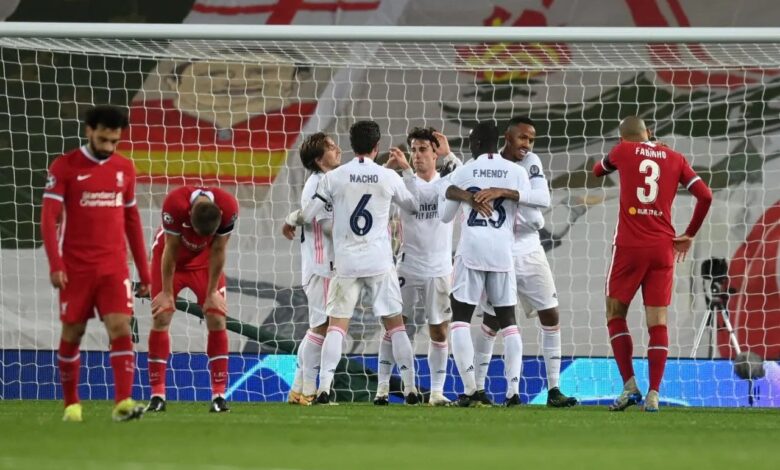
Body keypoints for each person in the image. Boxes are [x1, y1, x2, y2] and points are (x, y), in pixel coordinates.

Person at [288, 120, 421, 405]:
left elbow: (309, 214)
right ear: (377, 146)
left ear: (351, 145)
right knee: (396, 326)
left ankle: (323, 388)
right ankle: (411, 388)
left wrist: (291, 219)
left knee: (336, 327)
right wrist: (407, 172)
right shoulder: (388, 176)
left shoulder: (334, 177)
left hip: (346, 262)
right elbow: (412, 206)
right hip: (379, 261)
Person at [593, 116, 713, 412]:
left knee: (615, 312)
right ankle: (654, 394)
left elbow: (598, 170)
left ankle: (630, 385)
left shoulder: (622, 151)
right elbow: (706, 196)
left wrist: (624, 153)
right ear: (649, 132)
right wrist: (689, 234)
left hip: (629, 248)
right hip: (663, 248)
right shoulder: (675, 157)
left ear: (623, 138)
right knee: (657, 321)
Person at [41, 105, 151, 422]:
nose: (109, 147)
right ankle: (72, 405)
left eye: (114, 141)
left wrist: (144, 272)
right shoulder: (64, 166)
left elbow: (132, 220)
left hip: (114, 267)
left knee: (120, 327)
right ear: (89, 130)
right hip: (75, 268)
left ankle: (123, 402)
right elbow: (48, 218)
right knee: (73, 332)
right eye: (103, 139)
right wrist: (55, 264)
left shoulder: (124, 168)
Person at [474, 117, 578, 407]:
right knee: (493, 320)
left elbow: (543, 198)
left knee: (551, 313)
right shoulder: (490, 163)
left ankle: (554, 389)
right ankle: (477, 389)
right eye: (522, 138)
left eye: (531, 140)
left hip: (531, 247)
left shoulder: (531, 162)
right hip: (500, 248)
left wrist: (504, 192)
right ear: (507, 137)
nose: (527, 145)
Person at [439, 121, 530, 407]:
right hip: (502, 251)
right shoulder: (517, 172)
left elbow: (444, 216)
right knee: (509, 322)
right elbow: (533, 210)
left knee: (461, 319)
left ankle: (471, 391)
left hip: (472, 251)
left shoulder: (464, 171)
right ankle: (513, 393)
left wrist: (463, 195)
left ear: (476, 143)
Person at [374, 127, 462, 406]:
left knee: (439, 331)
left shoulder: (446, 182)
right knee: (394, 328)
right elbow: (374, 191)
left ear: (435, 154)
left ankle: (436, 392)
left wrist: (449, 154)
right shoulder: (401, 182)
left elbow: (465, 175)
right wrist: (389, 168)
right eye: (413, 149)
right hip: (407, 268)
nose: (416, 155)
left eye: (423, 149)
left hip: (439, 270)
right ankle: (382, 389)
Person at [146, 184, 239, 413]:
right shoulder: (174, 203)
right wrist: (167, 293)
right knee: (162, 316)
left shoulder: (229, 207)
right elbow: (170, 249)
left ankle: (219, 396)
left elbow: (218, 250)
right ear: (189, 215)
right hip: (170, 260)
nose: (199, 238)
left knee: (217, 317)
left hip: (205, 263)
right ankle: (157, 396)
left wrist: (211, 293)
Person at [282, 132, 341, 405]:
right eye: (331, 147)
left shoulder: (321, 181)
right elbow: (326, 226)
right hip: (323, 265)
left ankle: (298, 389)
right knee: (322, 327)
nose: (337, 149)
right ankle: (308, 390)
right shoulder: (319, 183)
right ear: (319, 159)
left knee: (318, 326)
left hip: (318, 265)